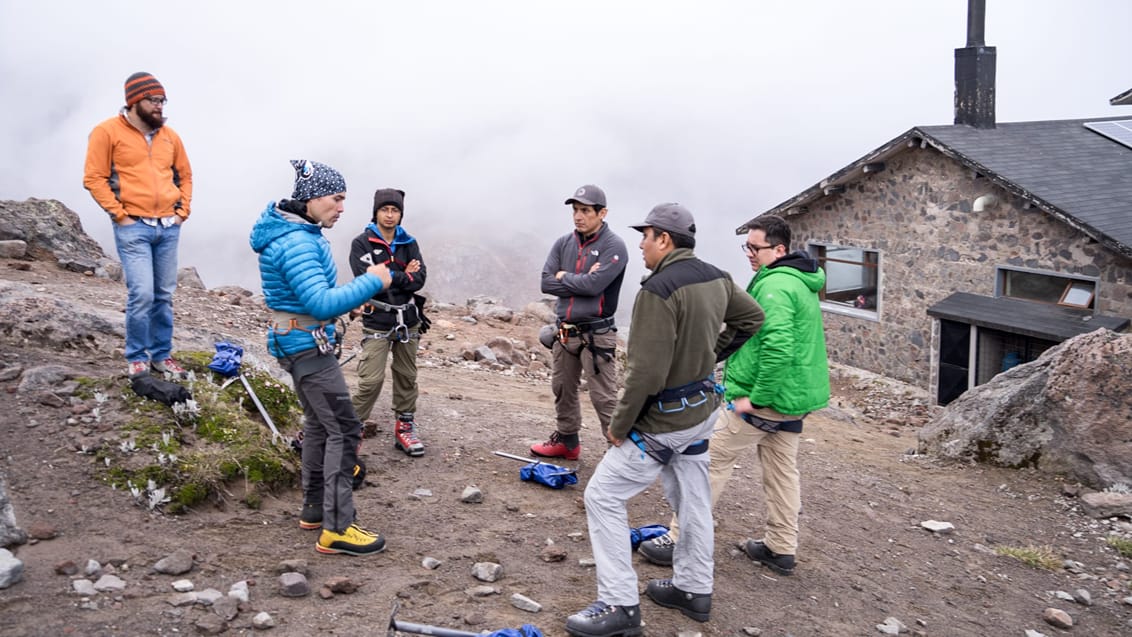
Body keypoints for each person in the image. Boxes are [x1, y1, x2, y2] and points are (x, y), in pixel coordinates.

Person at [566, 204, 764, 637]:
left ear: (665, 240)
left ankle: (619, 605)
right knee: (692, 502)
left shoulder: (658, 290)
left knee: (601, 496)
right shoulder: (716, 276)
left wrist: (619, 425)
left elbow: (645, 374)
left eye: (647, 235)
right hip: (699, 414)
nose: (640, 243)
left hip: (662, 423)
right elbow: (752, 317)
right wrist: (711, 355)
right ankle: (694, 590)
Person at [638, 213, 830, 577]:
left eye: (755, 248)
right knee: (782, 472)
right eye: (747, 247)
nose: (749, 254)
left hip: (766, 401)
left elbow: (777, 349)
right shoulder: (800, 281)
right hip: (794, 400)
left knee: (708, 462)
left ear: (779, 249)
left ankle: (680, 539)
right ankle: (780, 547)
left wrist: (755, 400)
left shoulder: (776, 288)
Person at [250, 159, 392, 556]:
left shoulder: (299, 233)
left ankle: (314, 507)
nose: (342, 207)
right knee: (345, 429)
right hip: (305, 347)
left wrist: (344, 308)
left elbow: (313, 301)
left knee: (318, 425)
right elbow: (319, 300)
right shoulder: (296, 241)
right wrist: (372, 282)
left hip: (300, 340)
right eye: (337, 198)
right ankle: (337, 527)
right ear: (311, 198)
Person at [83, 72, 193, 378]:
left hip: (168, 226)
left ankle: (161, 355)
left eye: (162, 100)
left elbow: (184, 175)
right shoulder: (106, 132)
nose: (159, 106)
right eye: (153, 100)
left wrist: (183, 210)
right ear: (134, 101)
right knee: (142, 293)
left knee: (163, 295)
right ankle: (136, 356)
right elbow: (94, 178)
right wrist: (119, 214)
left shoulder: (170, 136)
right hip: (134, 227)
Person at [533, 184, 628, 461]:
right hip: (564, 330)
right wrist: (579, 280)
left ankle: (619, 456)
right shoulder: (564, 243)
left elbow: (595, 286)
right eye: (575, 210)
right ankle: (567, 441)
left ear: (602, 213)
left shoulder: (614, 246)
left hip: (598, 334)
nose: (578, 216)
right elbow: (545, 282)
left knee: (604, 397)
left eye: (585, 210)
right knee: (562, 388)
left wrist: (564, 277)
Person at [349, 188, 428, 457]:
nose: (390, 215)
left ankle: (405, 426)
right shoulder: (362, 243)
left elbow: (420, 279)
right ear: (376, 212)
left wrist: (389, 276)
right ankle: (351, 431)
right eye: (385, 209)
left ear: (401, 214)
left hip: (408, 319)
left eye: (395, 210)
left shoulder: (409, 243)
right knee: (370, 380)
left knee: (407, 376)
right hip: (377, 320)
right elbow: (367, 280)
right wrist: (402, 274)